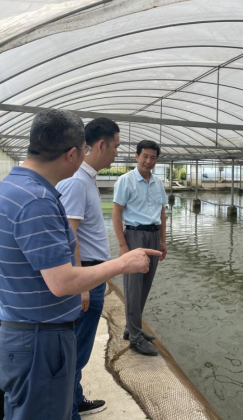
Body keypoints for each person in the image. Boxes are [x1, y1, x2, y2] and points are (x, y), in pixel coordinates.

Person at [0, 110, 161, 420]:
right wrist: (122, 263)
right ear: (71, 154)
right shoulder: (37, 201)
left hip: (22, 329)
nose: (85, 155)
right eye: (83, 149)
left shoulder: (12, 188)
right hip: (38, 341)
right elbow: (62, 282)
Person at [56, 118, 120, 419]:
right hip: (86, 277)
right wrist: (81, 285)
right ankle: (69, 411)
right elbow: (70, 236)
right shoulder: (77, 182)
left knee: (79, 348)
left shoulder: (86, 180)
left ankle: (75, 399)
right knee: (76, 351)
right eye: (116, 146)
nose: (117, 152)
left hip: (92, 274)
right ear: (101, 145)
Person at [112, 140, 168, 356]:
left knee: (145, 284)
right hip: (135, 234)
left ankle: (132, 328)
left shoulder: (158, 182)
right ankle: (135, 339)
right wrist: (122, 245)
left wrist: (163, 240)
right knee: (133, 286)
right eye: (144, 156)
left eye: (153, 158)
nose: (148, 161)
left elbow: (162, 213)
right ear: (136, 156)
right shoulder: (126, 181)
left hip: (153, 235)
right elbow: (116, 213)